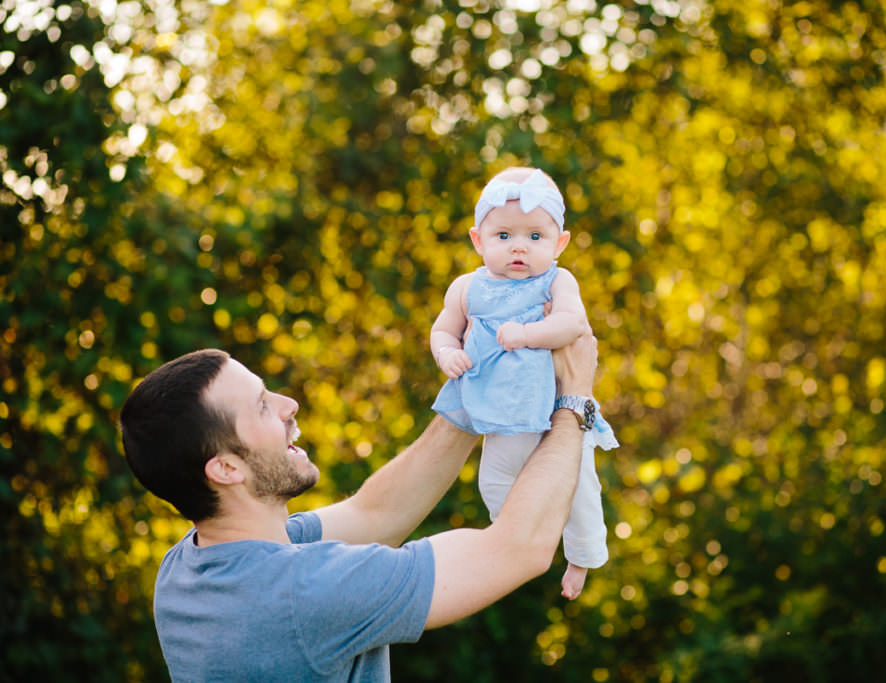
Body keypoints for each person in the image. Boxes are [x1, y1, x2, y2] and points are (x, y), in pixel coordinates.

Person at [119, 332, 598, 681]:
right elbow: (519, 547)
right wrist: (575, 399)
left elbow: (377, 515)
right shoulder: (304, 593)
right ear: (226, 468)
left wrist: (477, 385)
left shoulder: (186, 570)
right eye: (262, 406)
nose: (289, 404)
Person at [430, 166, 617, 600]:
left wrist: (528, 334)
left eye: (535, 236)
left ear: (559, 244)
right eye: (504, 236)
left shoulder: (556, 281)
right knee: (496, 483)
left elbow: (572, 324)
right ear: (478, 240)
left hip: (555, 411)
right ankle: (512, 546)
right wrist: (447, 354)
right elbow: (442, 330)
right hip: (502, 416)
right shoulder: (466, 288)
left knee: (580, 487)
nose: (519, 247)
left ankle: (583, 555)